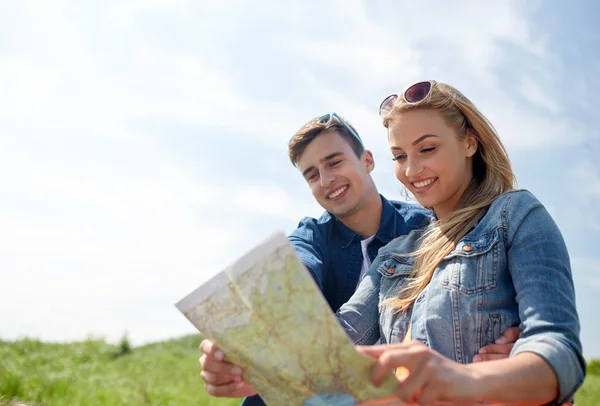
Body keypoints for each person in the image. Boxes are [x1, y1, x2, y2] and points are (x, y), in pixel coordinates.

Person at [199, 110, 521, 405]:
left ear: (367, 160)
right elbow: (296, 270)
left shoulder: (426, 228)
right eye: (312, 175)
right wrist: (237, 343)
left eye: (334, 162)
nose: (326, 180)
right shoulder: (311, 235)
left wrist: (512, 346)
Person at [335, 80, 584, 405]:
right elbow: (338, 336)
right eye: (399, 156)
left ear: (469, 143)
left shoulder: (514, 216)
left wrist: (465, 378)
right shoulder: (394, 254)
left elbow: (558, 350)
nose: (411, 169)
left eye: (427, 149)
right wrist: (254, 362)